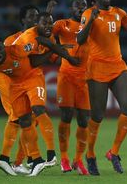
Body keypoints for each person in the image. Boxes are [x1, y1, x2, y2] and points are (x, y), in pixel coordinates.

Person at [77, 0, 127, 175]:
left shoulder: (118, 12)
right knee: (97, 116)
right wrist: (91, 21)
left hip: (117, 66)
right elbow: (80, 40)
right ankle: (90, 155)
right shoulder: (88, 13)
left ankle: (113, 152)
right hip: (97, 67)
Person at [13, 12, 80, 167]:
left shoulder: (48, 37)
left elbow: (52, 57)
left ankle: (50, 154)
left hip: (33, 77)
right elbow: (34, 61)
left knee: (38, 110)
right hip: (16, 79)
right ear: (37, 24)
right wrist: (54, 49)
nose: (49, 27)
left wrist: (66, 55)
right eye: (45, 23)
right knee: (23, 120)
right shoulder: (29, 37)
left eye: (51, 23)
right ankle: (22, 160)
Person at [0, 36, 47, 177]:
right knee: (21, 115)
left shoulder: (19, 47)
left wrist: (54, 49)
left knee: (30, 118)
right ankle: (30, 159)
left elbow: (35, 56)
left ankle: (15, 159)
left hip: (22, 80)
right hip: (5, 79)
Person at [51, 0, 90, 175]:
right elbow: (43, 33)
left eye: (84, 6)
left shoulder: (92, 26)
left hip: (86, 79)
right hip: (66, 76)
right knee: (66, 116)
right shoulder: (62, 24)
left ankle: (78, 159)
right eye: (77, 5)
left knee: (84, 120)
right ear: (70, 8)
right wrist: (61, 49)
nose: (81, 8)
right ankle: (65, 158)